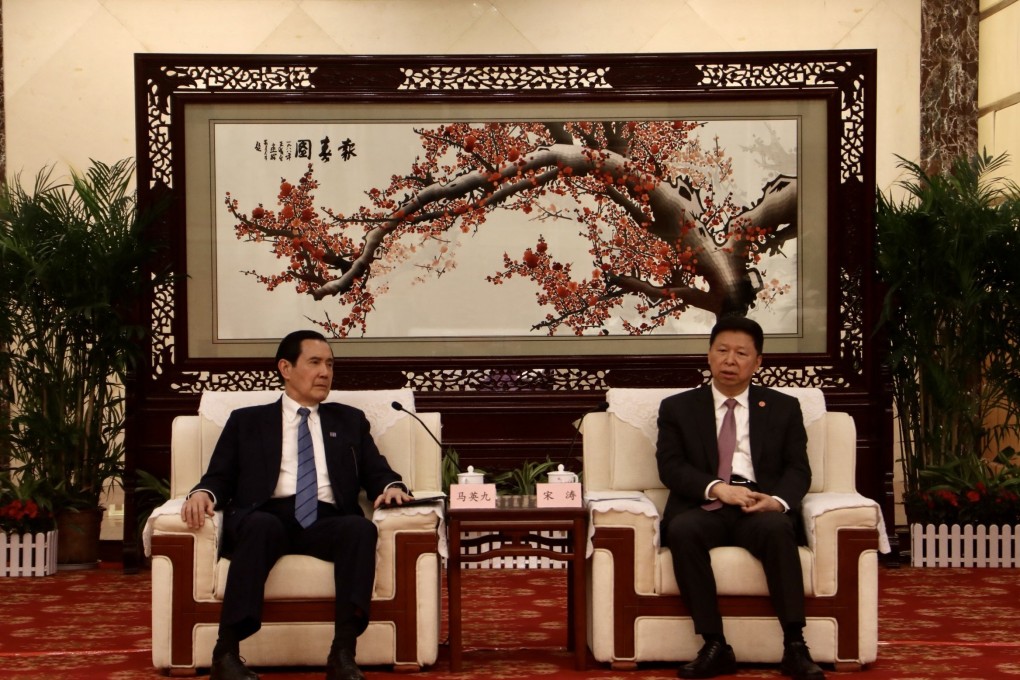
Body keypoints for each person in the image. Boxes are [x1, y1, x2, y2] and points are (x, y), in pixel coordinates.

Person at [181, 329, 414, 680]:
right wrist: (202, 494)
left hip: (325, 518)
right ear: (286, 368)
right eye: (315, 362)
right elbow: (219, 477)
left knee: (360, 529)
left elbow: (376, 470)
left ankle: (343, 653)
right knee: (261, 526)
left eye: (330, 364)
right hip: (268, 515)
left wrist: (392, 486)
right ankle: (226, 653)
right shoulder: (248, 421)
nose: (325, 372)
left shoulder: (348, 420)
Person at [655, 316, 825, 680]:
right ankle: (714, 645)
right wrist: (718, 488)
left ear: (758, 361)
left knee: (778, 528)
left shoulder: (783, 407)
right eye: (722, 351)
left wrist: (776, 500)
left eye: (741, 353)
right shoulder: (678, 408)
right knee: (683, 531)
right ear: (709, 355)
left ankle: (795, 645)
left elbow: (799, 470)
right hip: (705, 503)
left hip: (757, 504)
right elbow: (670, 467)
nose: (730, 360)